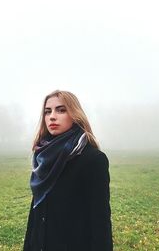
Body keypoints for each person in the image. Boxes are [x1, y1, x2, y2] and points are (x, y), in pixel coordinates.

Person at [23, 90, 113, 251]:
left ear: (75, 114)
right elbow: (35, 213)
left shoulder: (92, 159)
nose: (52, 116)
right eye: (47, 111)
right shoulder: (42, 158)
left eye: (61, 110)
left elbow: (101, 222)